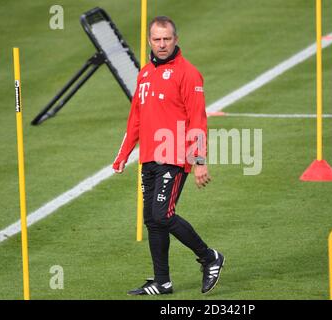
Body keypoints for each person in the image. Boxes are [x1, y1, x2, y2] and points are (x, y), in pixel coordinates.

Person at [112, 16, 224, 295]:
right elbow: (135, 118)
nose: (162, 44)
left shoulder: (188, 73)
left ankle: (210, 257)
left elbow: (198, 119)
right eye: (157, 39)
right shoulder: (145, 74)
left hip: (174, 156)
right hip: (149, 157)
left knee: (163, 215)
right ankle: (162, 281)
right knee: (152, 219)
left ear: (176, 39)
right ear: (150, 41)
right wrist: (123, 154)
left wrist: (199, 160)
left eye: (167, 39)